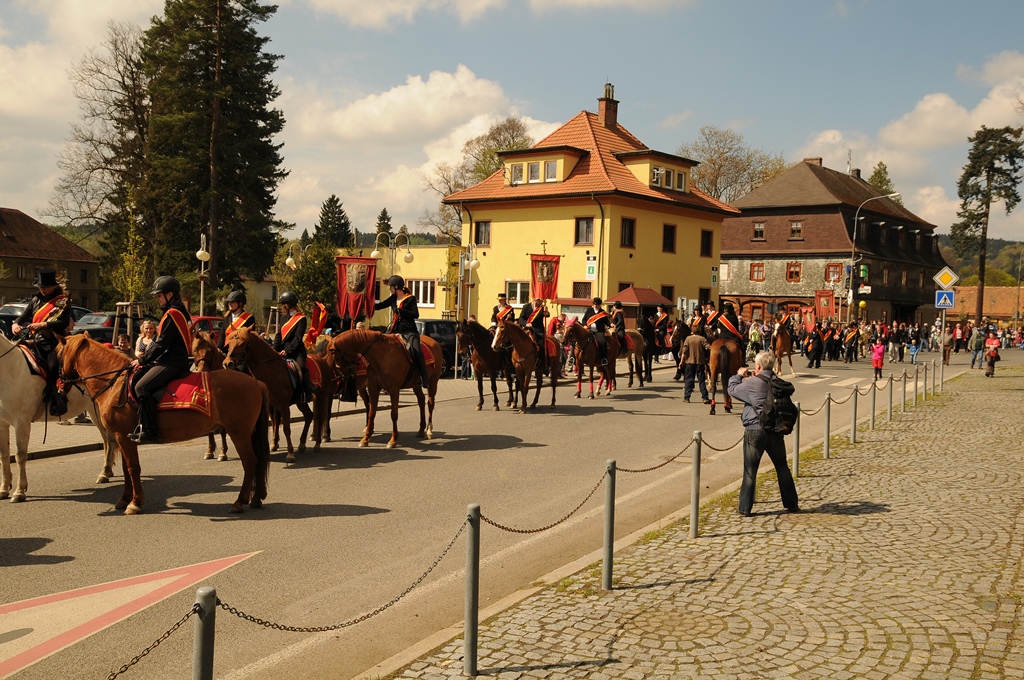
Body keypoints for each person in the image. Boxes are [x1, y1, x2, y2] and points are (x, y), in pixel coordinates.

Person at [727, 351, 800, 517]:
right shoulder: (778, 382)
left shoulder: (753, 383)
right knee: (782, 467)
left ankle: (745, 507)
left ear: (758, 366)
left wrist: (738, 375)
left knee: (750, 470)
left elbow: (732, 390)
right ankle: (791, 503)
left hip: (755, 430)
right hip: (775, 430)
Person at [129, 276, 192, 443]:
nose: (157, 299)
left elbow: (162, 343)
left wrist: (142, 360)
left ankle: (151, 431)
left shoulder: (173, 314)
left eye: (159, 295)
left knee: (142, 387)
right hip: (168, 359)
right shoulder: (173, 312)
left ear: (169, 294)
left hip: (173, 361)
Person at [11, 269, 72, 416]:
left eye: (44, 287)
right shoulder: (35, 299)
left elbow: (63, 322)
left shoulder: (62, 301)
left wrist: (44, 325)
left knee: (52, 366)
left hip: (53, 341)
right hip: (34, 340)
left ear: (52, 286)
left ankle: (57, 396)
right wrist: (15, 324)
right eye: (40, 287)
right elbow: (23, 317)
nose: (42, 290)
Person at [374, 276, 429, 387]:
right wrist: (366, 303)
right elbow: (379, 306)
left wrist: (401, 311)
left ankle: (424, 377)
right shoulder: (392, 299)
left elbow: (415, 314)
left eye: (391, 286)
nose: (390, 289)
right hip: (395, 330)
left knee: (416, 351)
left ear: (396, 286)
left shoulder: (410, 299)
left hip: (409, 331)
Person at [274, 291, 313, 401]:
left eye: (283, 304)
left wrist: (287, 351)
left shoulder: (301, 319)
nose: (282, 307)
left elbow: (298, 338)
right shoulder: (283, 318)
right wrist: (273, 349)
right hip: (282, 349)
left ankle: (306, 392)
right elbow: (278, 335)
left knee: (301, 367)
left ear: (289, 305)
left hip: (296, 350)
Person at [518, 297, 549, 372]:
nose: (540, 302)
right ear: (535, 300)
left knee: (542, 345)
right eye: (539, 300)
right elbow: (521, 319)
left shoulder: (542, 308)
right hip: (527, 329)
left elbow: (547, 315)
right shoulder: (526, 307)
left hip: (538, 330)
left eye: (541, 301)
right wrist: (526, 324)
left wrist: (546, 311)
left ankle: (542, 364)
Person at [680, 331, 711, 404]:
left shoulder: (688, 339)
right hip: (700, 362)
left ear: (692, 332)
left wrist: (681, 362)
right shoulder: (702, 339)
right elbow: (708, 347)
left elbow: (684, 351)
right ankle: (705, 397)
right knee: (702, 381)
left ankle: (687, 397)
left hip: (689, 362)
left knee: (689, 380)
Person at [581, 297, 611, 365]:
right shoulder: (589, 310)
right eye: (595, 304)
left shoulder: (602, 312)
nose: (596, 306)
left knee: (603, 342)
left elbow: (606, 322)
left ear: (600, 305)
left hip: (598, 331)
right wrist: (584, 325)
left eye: (597, 304)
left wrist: (610, 324)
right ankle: (573, 358)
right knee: (578, 340)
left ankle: (604, 358)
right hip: (588, 330)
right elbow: (584, 319)